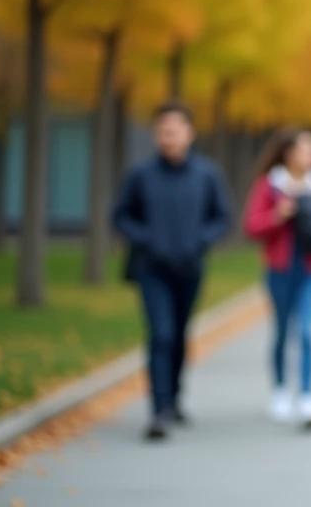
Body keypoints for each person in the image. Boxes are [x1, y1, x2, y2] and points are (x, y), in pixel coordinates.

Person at [112, 102, 232, 442]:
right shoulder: (141, 175)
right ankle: (159, 410)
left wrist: (200, 240)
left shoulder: (207, 174)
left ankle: (175, 397)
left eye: (175, 131)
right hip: (152, 269)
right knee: (161, 334)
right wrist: (147, 239)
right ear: (156, 135)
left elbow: (222, 218)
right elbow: (120, 216)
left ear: (189, 134)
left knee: (179, 334)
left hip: (190, 268)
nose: (169, 138)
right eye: (163, 132)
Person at [243, 128, 311, 430]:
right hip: (281, 270)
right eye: (307, 149)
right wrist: (277, 216)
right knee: (283, 331)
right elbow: (251, 226)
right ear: (289, 154)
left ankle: (308, 397)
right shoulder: (269, 186)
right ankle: (281, 390)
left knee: (308, 331)